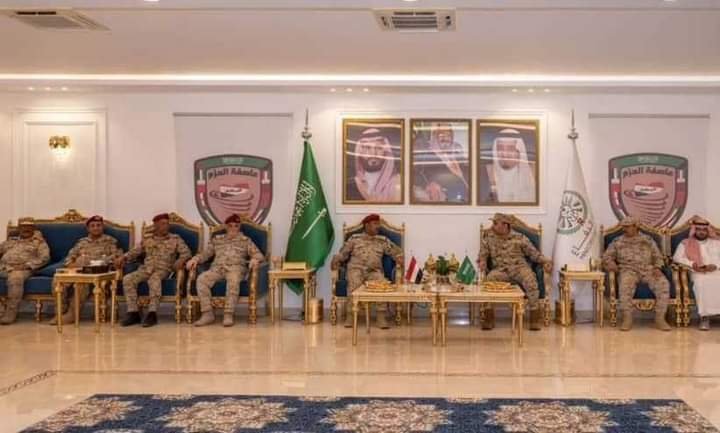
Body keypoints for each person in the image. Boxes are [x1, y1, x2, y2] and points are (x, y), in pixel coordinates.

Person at [186, 214, 264, 327]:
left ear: (239, 227)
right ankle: (207, 314)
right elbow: (206, 254)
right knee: (201, 279)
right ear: (226, 227)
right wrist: (195, 259)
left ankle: (228, 314)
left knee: (233, 280)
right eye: (230, 226)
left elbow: (259, 255)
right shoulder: (217, 240)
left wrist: (255, 259)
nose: (233, 228)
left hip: (235, 269)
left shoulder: (245, 240)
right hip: (217, 269)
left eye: (236, 226)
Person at [478, 213, 552, 331]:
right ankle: (488, 319)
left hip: (519, 269)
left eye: (495, 223)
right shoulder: (489, 237)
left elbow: (534, 253)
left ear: (505, 225)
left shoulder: (520, 238)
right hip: (501, 271)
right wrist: (482, 261)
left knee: (530, 280)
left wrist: (545, 261)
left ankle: (534, 319)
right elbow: (483, 253)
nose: (492, 226)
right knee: (489, 279)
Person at [116, 213, 191, 328]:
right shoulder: (147, 239)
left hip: (163, 269)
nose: (166, 226)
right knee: (128, 279)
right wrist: (123, 257)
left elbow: (187, 253)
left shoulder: (175, 239)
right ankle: (133, 313)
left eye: (167, 224)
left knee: (154, 279)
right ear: (155, 225)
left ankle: (152, 313)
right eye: (163, 224)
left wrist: (181, 260)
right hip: (146, 269)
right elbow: (134, 252)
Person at [331, 214, 404, 329]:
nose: (378, 226)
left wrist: (400, 258)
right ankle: (351, 316)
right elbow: (343, 253)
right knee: (354, 283)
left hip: (374, 271)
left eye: (378, 224)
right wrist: (336, 259)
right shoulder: (354, 239)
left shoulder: (382, 240)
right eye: (375, 224)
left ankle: (381, 317)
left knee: (381, 283)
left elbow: (396, 252)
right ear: (367, 225)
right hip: (356, 269)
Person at [50, 215, 123, 325]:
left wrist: (102, 261)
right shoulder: (81, 242)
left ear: (102, 227)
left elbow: (117, 257)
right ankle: (60, 312)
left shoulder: (110, 241)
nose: (96, 228)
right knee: (57, 282)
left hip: (97, 273)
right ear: (88, 229)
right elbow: (69, 258)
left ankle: (72, 315)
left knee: (81, 284)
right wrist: (74, 264)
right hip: (78, 271)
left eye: (98, 225)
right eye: (92, 226)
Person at [602, 216, 671, 331]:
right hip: (628, 270)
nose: (624, 229)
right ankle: (627, 318)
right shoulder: (617, 241)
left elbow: (658, 256)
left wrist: (658, 267)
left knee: (663, 283)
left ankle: (660, 318)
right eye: (624, 227)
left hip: (648, 269)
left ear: (636, 227)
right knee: (625, 286)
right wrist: (611, 263)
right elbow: (606, 257)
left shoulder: (647, 240)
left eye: (627, 227)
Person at [673, 216, 720, 330]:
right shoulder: (685, 243)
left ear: (708, 231)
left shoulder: (716, 243)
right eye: (699, 229)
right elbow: (677, 257)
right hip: (697, 272)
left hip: (716, 271)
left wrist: (716, 265)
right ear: (694, 230)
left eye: (704, 230)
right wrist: (692, 264)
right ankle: (704, 317)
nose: (701, 232)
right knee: (701, 283)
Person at [0, 220, 50, 324]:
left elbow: (45, 258)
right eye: (23, 226)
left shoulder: (39, 242)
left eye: (28, 226)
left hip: (23, 269)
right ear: (19, 228)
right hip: (4, 267)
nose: (25, 229)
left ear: (33, 228)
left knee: (15, 278)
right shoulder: (12, 240)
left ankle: (10, 313)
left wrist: (26, 266)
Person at [412, 122, 470, 203]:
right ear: (435, 136)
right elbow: (416, 175)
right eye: (441, 135)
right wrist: (427, 187)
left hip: (464, 200)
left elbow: (467, 175)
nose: (445, 138)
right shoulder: (426, 154)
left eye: (448, 135)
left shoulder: (457, 153)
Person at [480, 129, 536, 204]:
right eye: (500, 148)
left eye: (510, 149)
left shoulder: (533, 174)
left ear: (519, 151)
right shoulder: (486, 174)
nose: (505, 154)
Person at [346, 127, 402, 203]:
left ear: (386, 152)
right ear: (360, 152)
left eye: (379, 148)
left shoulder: (399, 183)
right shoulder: (350, 186)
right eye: (367, 148)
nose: (373, 153)